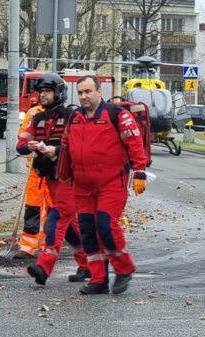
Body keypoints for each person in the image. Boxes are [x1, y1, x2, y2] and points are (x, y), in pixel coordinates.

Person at [58, 75, 148, 295]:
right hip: (82, 186)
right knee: (87, 231)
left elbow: (135, 143)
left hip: (111, 183)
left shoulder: (117, 115)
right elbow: (66, 145)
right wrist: (63, 173)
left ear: (99, 92)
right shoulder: (75, 117)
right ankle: (98, 279)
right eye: (80, 92)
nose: (84, 96)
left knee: (106, 225)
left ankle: (124, 268)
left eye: (88, 91)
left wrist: (139, 172)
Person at [16, 73, 90, 285]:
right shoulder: (37, 118)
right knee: (70, 227)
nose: (43, 95)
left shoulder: (71, 116)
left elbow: (79, 145)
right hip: (49, 178)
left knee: (55, 221)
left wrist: (55, 150)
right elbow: (20, 144)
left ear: (58, 93)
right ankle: (88, 264)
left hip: (68, 178)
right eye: (41, 92)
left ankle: (43, 267)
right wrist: (27, 146)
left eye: (47, 91)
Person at [12, 105, 51, 259]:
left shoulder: (63, 114)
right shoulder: (33, 113)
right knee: (32, 206)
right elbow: (22, 134)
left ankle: (48, 245)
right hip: (35, 167)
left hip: (54, 168)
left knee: (51, 207)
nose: (44, 94)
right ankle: (28, 246)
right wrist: (30, 144)